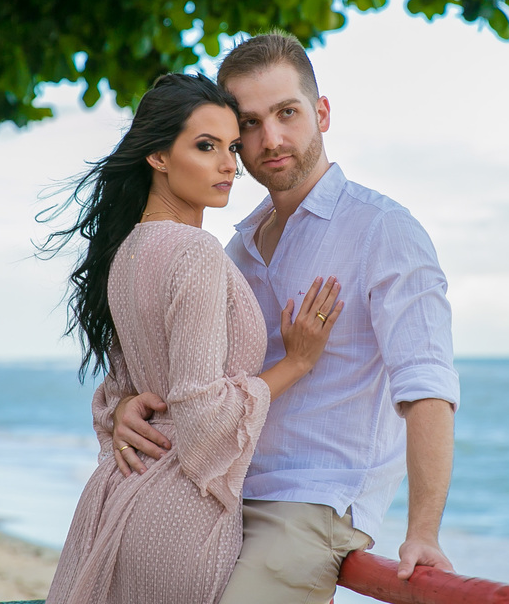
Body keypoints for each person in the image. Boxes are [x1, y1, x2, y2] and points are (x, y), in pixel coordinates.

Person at [112, 31, 461, 603]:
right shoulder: (237, 248)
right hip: (216, 493)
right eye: (249, 124)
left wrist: (422, 533)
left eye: (287, 113)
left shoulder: (384, 231)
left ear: (321, 113)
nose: (270, 139)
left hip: (311, 501)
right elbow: (194, 379)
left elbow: (427, 386)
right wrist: (126, 407)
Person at [43, 73, 343, 604]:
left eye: (231, 147)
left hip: (118, 500)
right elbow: (201, 415)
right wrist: (296, 362)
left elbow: (124, 392)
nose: (229, 164)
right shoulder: (196, 253)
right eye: (206, 147)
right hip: (179, 518)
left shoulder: (127, 253)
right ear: (158, 155)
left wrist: (123, 410)